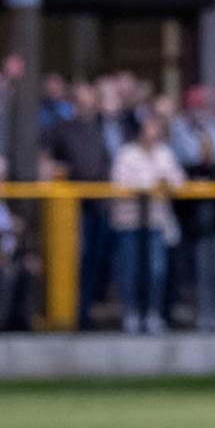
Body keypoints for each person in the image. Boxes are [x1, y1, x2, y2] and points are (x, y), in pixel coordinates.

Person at [44, 81, 116, 330]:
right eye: (85, 100)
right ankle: (73, 313)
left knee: (94, 260)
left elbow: (105, 161)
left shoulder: (97, 128)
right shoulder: (61, 128)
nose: (90, 104)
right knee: (77, 260)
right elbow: (45, 157)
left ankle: (86, 310)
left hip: (99, 204)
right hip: (73, 208)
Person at [169, 86, 215, 332]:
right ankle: (203, 315)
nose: (206, 111)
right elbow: (189, 161)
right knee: (201, 269)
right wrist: (212, 170)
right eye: (202, 105)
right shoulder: (179, 130)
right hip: (196, 213)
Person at [109, 113, 185, 335]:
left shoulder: (164, 153)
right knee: (130, 269)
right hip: (128, 221)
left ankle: (153, 313)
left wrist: (163, 181)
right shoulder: (127, 153)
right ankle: (131, 313)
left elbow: (178, 180)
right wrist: (152, 183)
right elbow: (120, 182)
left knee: (156, 269)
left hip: (155, 221)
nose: (152, 136)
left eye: (156, 132)